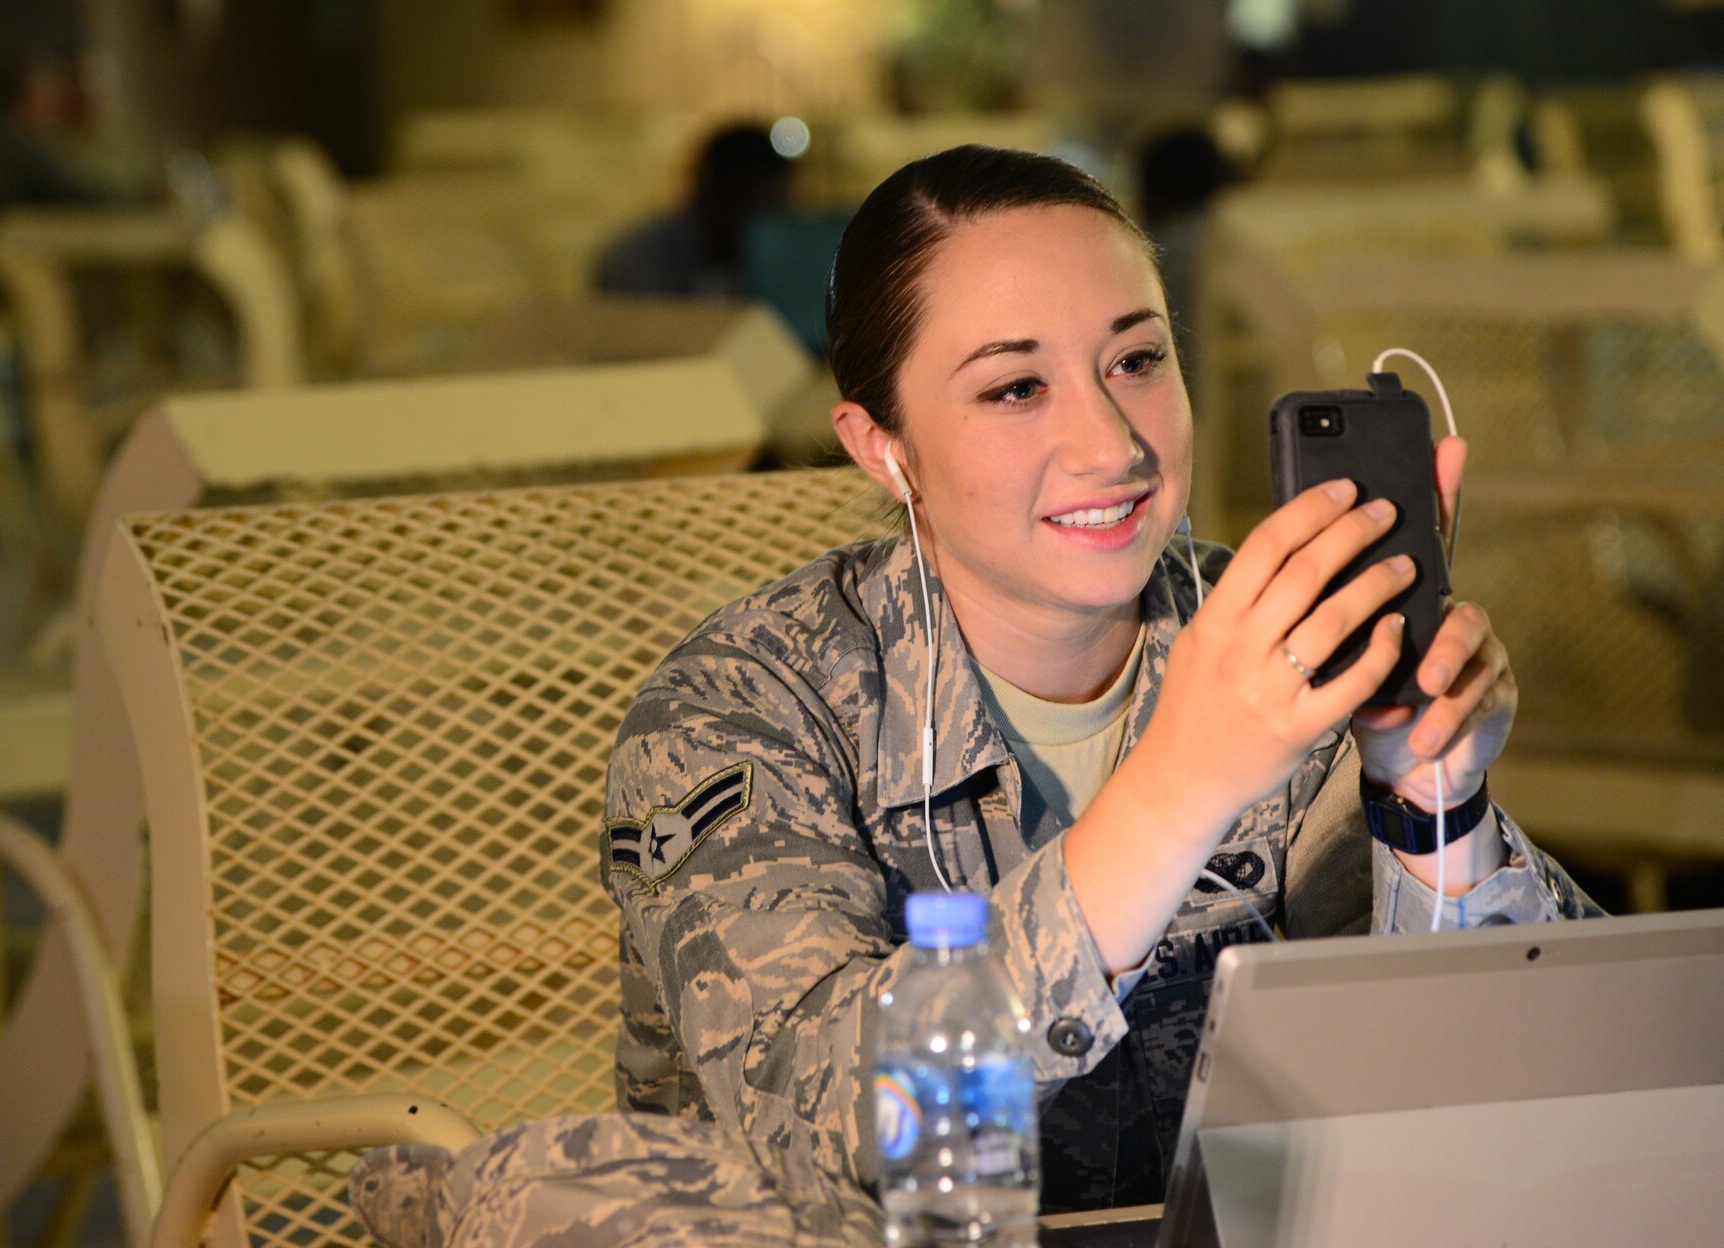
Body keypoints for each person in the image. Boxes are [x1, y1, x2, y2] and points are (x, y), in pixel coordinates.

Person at [350, 144, 1598, 1246]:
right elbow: (833, 1137)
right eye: (1013, 387)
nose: (1111, 443)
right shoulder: (738, 713)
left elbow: (1539, 1092)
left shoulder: (1269, 642)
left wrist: (1427, 795)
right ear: (879, 445)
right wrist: (1190, 775)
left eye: (1137, 359)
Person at [594, 122, 795, 299]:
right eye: (760, 208)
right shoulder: (640, 260)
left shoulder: (773, 262)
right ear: (718, 195)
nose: (772, 224)